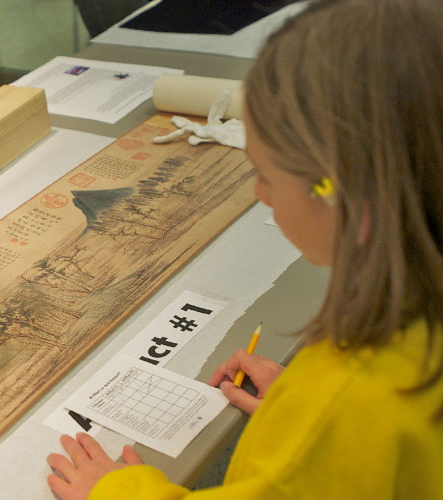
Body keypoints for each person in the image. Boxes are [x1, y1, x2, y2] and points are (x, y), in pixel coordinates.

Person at [45, 0, 443, 498]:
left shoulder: (343, 411)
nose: (259, 194)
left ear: (343, 203)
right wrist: (300, 406)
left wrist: (116, 492)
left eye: (268, 177)